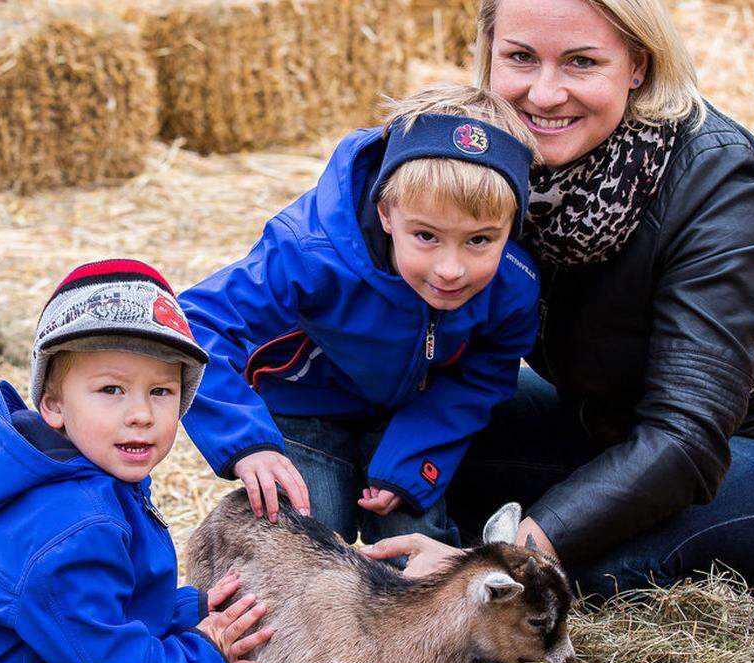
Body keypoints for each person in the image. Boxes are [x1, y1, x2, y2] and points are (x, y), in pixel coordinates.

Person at [365, 0, 754, 599]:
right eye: (520, 57)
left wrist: (498, 564)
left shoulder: (720, 182)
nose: (543, 93)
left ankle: (451, 589)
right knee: (392, 423)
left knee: (557, 584)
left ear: (637, 66)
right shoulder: (480, 160)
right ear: (490, 57)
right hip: (606, 429)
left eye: (581, 62)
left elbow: (686, 434)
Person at [179, 84, 539, 551]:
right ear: (387, 213)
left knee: (415, 548)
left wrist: (415, 461)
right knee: (304, 541)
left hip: (409, 417)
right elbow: (195, 324)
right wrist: (247, 442)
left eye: (479, 241)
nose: (451, 270)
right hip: (304, 411)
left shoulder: (513, 285)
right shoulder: (310, 251)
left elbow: (481, 379)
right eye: (426, 236)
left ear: (511, 226)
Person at [0, 260, 273, 663]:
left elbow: (97, 615)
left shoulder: (74, 477)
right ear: (53, 405)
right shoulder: (74, 526)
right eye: (112, 389)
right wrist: (207, 652)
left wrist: (192, 609)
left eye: (161, 391)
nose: (141, 414)